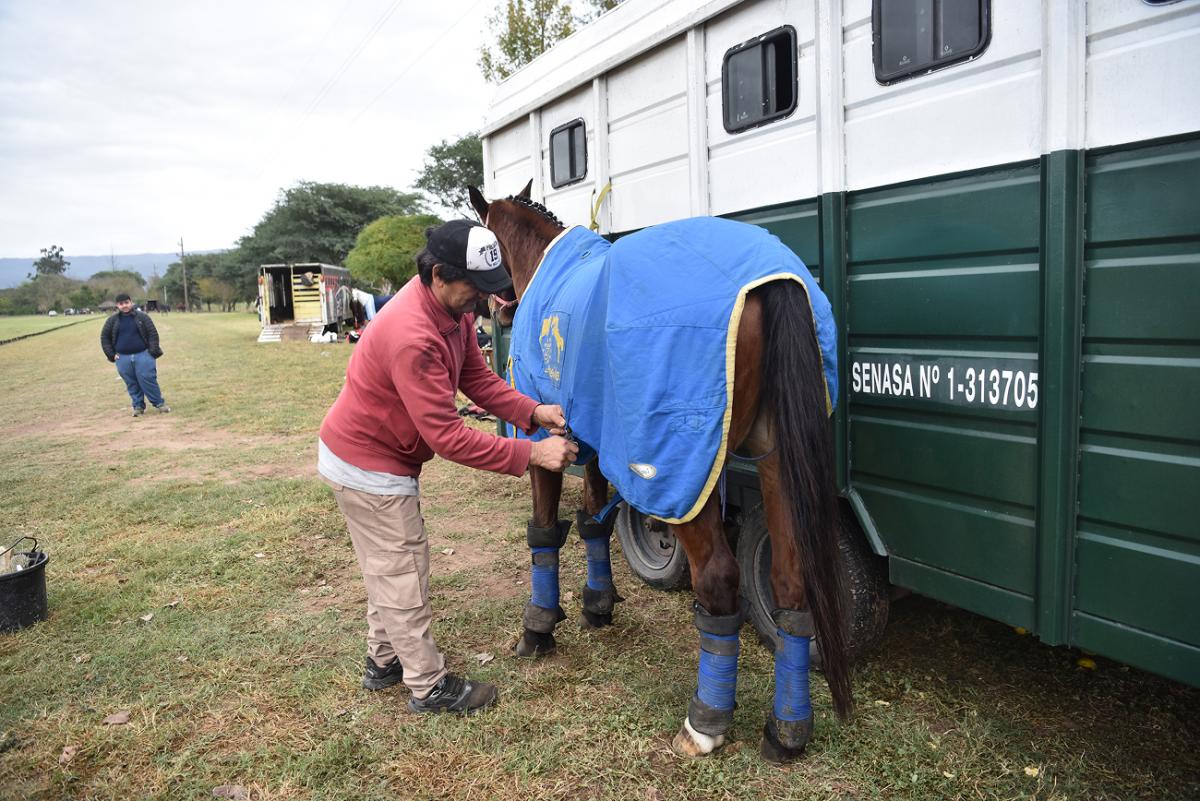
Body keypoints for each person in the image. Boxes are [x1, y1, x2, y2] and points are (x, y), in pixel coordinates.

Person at [318, 219, 579, 715]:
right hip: (368, 466)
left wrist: (530, 412)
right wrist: (532, 453)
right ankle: (427, 685)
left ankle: (384, 661)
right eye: (473, 289)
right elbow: (449, 437)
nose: (480, 302)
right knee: (403, 571)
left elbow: (477, 379)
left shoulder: (451, 314)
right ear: (438, 274)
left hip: (379, 457)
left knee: (389, 568)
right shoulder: (412, 335)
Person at [100, 293, 169, 417]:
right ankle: (138, 406)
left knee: (148, 379)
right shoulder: (112, 320)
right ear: (117, 305)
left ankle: (159, 404)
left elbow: (153, 334)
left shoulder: (142, 317)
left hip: (143, 355)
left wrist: (151, 352)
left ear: (131, 302)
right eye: (121, 304)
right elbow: (105, 338)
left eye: (126, 303)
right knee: (131, 383)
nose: (124, 306)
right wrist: (111, 354)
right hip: (122, 357)